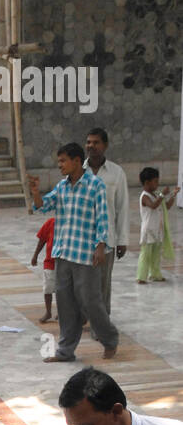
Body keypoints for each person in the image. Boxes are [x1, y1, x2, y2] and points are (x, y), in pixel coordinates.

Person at [28, 143, 117, 363]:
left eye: (63, 161)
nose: (60, 165)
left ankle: (110, 339)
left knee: (90, 302)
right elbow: (43, 206)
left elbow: (103, 218)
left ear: (77, 161)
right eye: (59, 162)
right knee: (66, 303)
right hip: (63, 253)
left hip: (86, 256)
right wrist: (36, 193)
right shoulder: (62, 186)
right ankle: (65, 350)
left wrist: (100, 246)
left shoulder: (95, 185)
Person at [85, 128, 129, 315]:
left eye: (96, 143)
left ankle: (101, 324)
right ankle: (82, 318)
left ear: (105, 145)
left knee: (103, 284)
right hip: (82, 240)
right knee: (82, 284)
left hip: (107, 240)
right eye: (88, 142)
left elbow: (122, 207)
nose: (91, 146)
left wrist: (123, 241)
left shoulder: (116, 173)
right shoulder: (78, 170)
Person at [136, 168, 178, 284]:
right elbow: (153, 205)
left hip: (157, 230)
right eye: (155, 181)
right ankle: (141, 276)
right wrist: (162, 194)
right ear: (146, 182)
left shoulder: (155, 195)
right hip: (148, 230)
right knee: (145, 254)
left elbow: (167, 206)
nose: (157, 184)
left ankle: (155, 274)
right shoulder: (145, 197)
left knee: (155, 255)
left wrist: (173, 195)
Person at [31, 215, 56, 322]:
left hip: (65, 262)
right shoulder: (51, 222)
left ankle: (63, 312)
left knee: (63, 291)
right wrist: (35, 255)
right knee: (47, 288)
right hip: (50, 262)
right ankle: (48, 312)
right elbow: (42, 239)